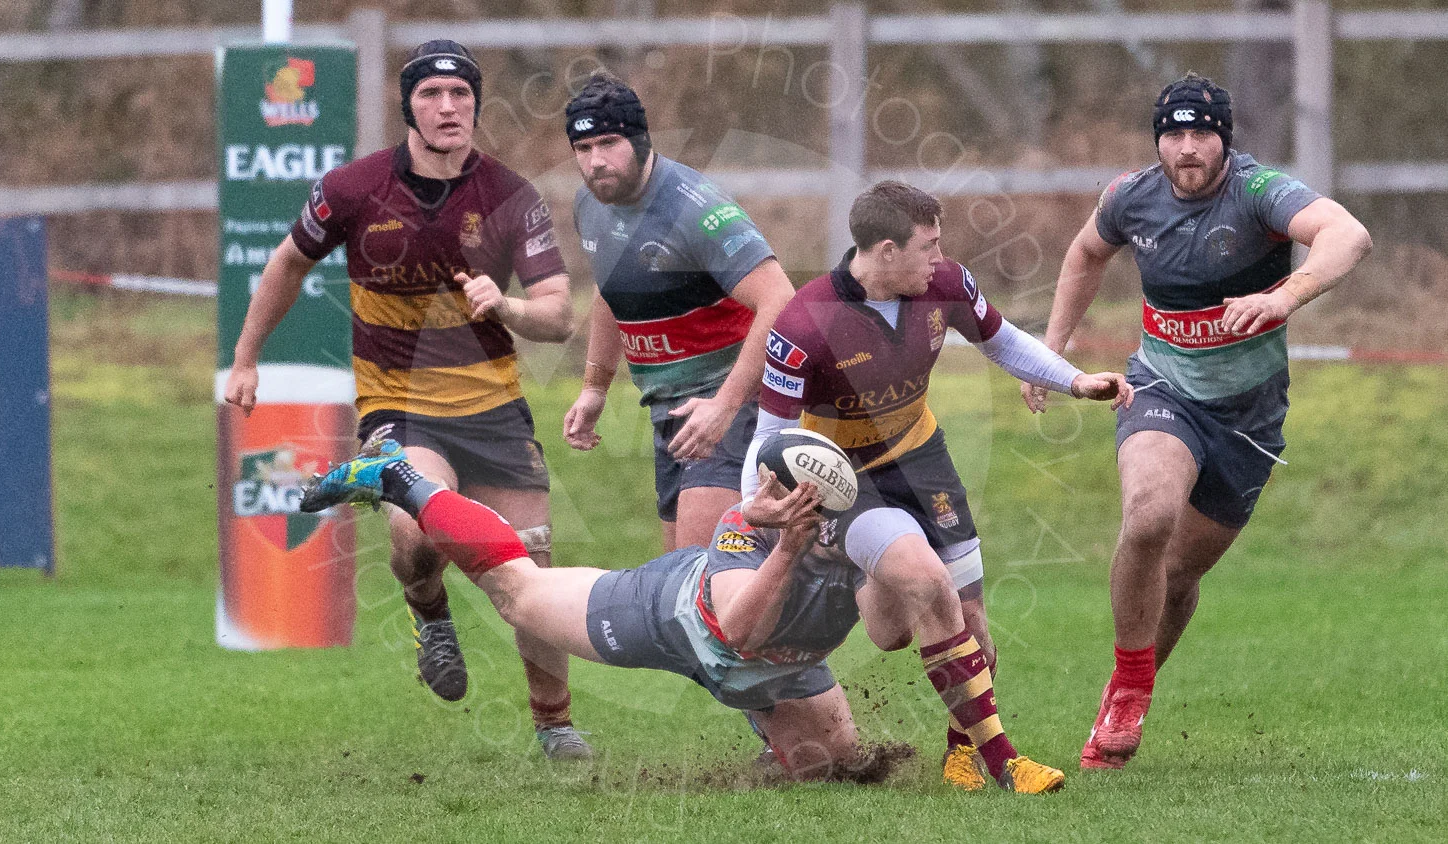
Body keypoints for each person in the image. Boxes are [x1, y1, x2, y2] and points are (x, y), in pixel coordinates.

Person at [298, 438, 1069, 792]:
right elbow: (738, 631)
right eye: (806, 503)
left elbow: (886, 631)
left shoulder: (849, 534)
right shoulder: (757, 535)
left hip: (777, 670)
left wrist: (910, 569)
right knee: (523, 596)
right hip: (673, 621)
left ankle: (774, 736)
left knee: (833, 766)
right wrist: (787, 547)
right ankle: (399, 477)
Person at [222, 39, 593, 759]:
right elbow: (288, 262)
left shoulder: (511, 197)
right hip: (400, 405)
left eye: (461, 95)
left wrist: (505, 307)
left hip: (493, 410)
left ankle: (554, 722)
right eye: (431, 95)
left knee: (535, 568)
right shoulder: (355, 189)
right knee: (413, 535)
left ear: (477, 105)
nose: (448, 108)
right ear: (409, 108)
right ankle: (431, 610)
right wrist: (245, 359)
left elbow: (558, 313)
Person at [1020, 72, 1372, 770]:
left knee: (1178, 576)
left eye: (1201, 133)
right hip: (1162, 390)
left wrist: (1287, 295)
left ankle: (1134, 686)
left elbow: (1348, 234)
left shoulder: (1258, 191)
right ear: (1158, 141)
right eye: (1173, 133)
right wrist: (1049, 350)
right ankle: (1127, 684)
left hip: (1249, 420)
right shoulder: (1131, 197)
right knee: (1149, 516)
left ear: (1224, 139)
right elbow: (1087, 252)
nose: (1187, 147)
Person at [751, 180, 1133, 787]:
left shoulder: (946, 284)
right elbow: (770, 436)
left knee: (964, 619)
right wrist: (759, 504)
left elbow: (1002, 341)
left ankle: (964, 750)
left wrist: (1075, 382)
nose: (939, 259)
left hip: (921, 457)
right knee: (925, 592)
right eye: (927, 247)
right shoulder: (803, 324)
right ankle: (1006, 763)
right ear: (884, 251)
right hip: (846, 480)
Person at [560, 74, 796, 551]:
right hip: (668, 412)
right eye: (583, 148)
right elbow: (613, 289)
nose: (596, 161)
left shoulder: (695, 210)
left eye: (609, 143)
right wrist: (593, 388)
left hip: (735, 405)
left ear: (641, 139)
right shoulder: (591, 204)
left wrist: (725, 406)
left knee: (706, 582)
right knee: (682, 586)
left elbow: (780, 298)